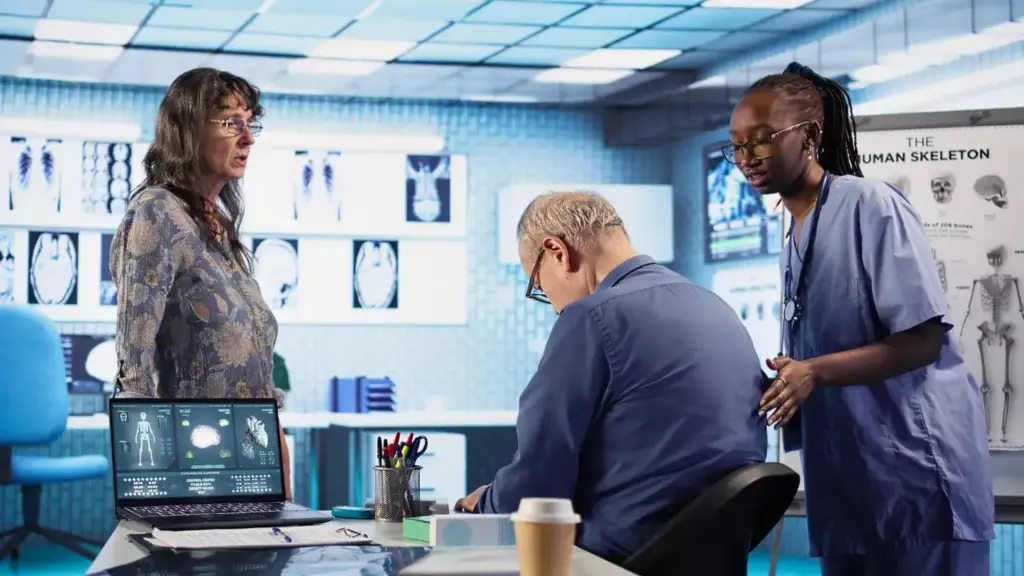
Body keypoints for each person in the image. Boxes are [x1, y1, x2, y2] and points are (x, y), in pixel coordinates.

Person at [728, 62, 993, 575]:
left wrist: (814, 371)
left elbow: (923, 340)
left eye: (761, 139)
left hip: (915, 476)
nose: (747, 157)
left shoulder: (869, 204)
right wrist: (787, 377)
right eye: (736, 145)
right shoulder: (795, 233)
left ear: (809, 136)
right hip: (852, 480)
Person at [454, 192, 767, 563]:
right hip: (715, 554)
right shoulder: (716, 307)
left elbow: (538, 479)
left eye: (538, 286)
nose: (552, 306)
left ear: (557, 251)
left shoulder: (592, 317)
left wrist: (484, 504)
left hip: (620, 556)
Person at [110, 68, 291, 496]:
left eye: (250, 125)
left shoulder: (218, 228)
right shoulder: (158, 212)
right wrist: (150, 492)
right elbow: (134, 368)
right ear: (189, 129)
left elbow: (252, 369)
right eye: (231, 123)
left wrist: (277, 450)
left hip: (253, 457)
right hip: (196, 464)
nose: (247, 139)